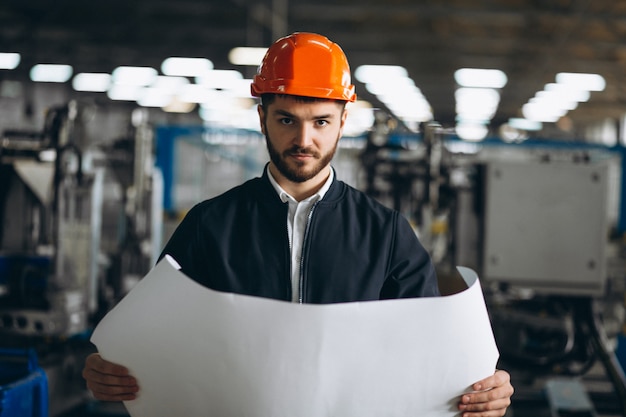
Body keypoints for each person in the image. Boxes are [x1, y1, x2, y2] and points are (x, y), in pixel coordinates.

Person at [83, 32, 514, 416]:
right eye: (287, 119)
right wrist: (112, 368)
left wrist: (485, 391)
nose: (304, 140)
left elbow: (431, 358)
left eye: (321, 122)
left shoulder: (387, 234)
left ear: (343, 122)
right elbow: (155, 336)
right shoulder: (209, 225)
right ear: (262, 119)